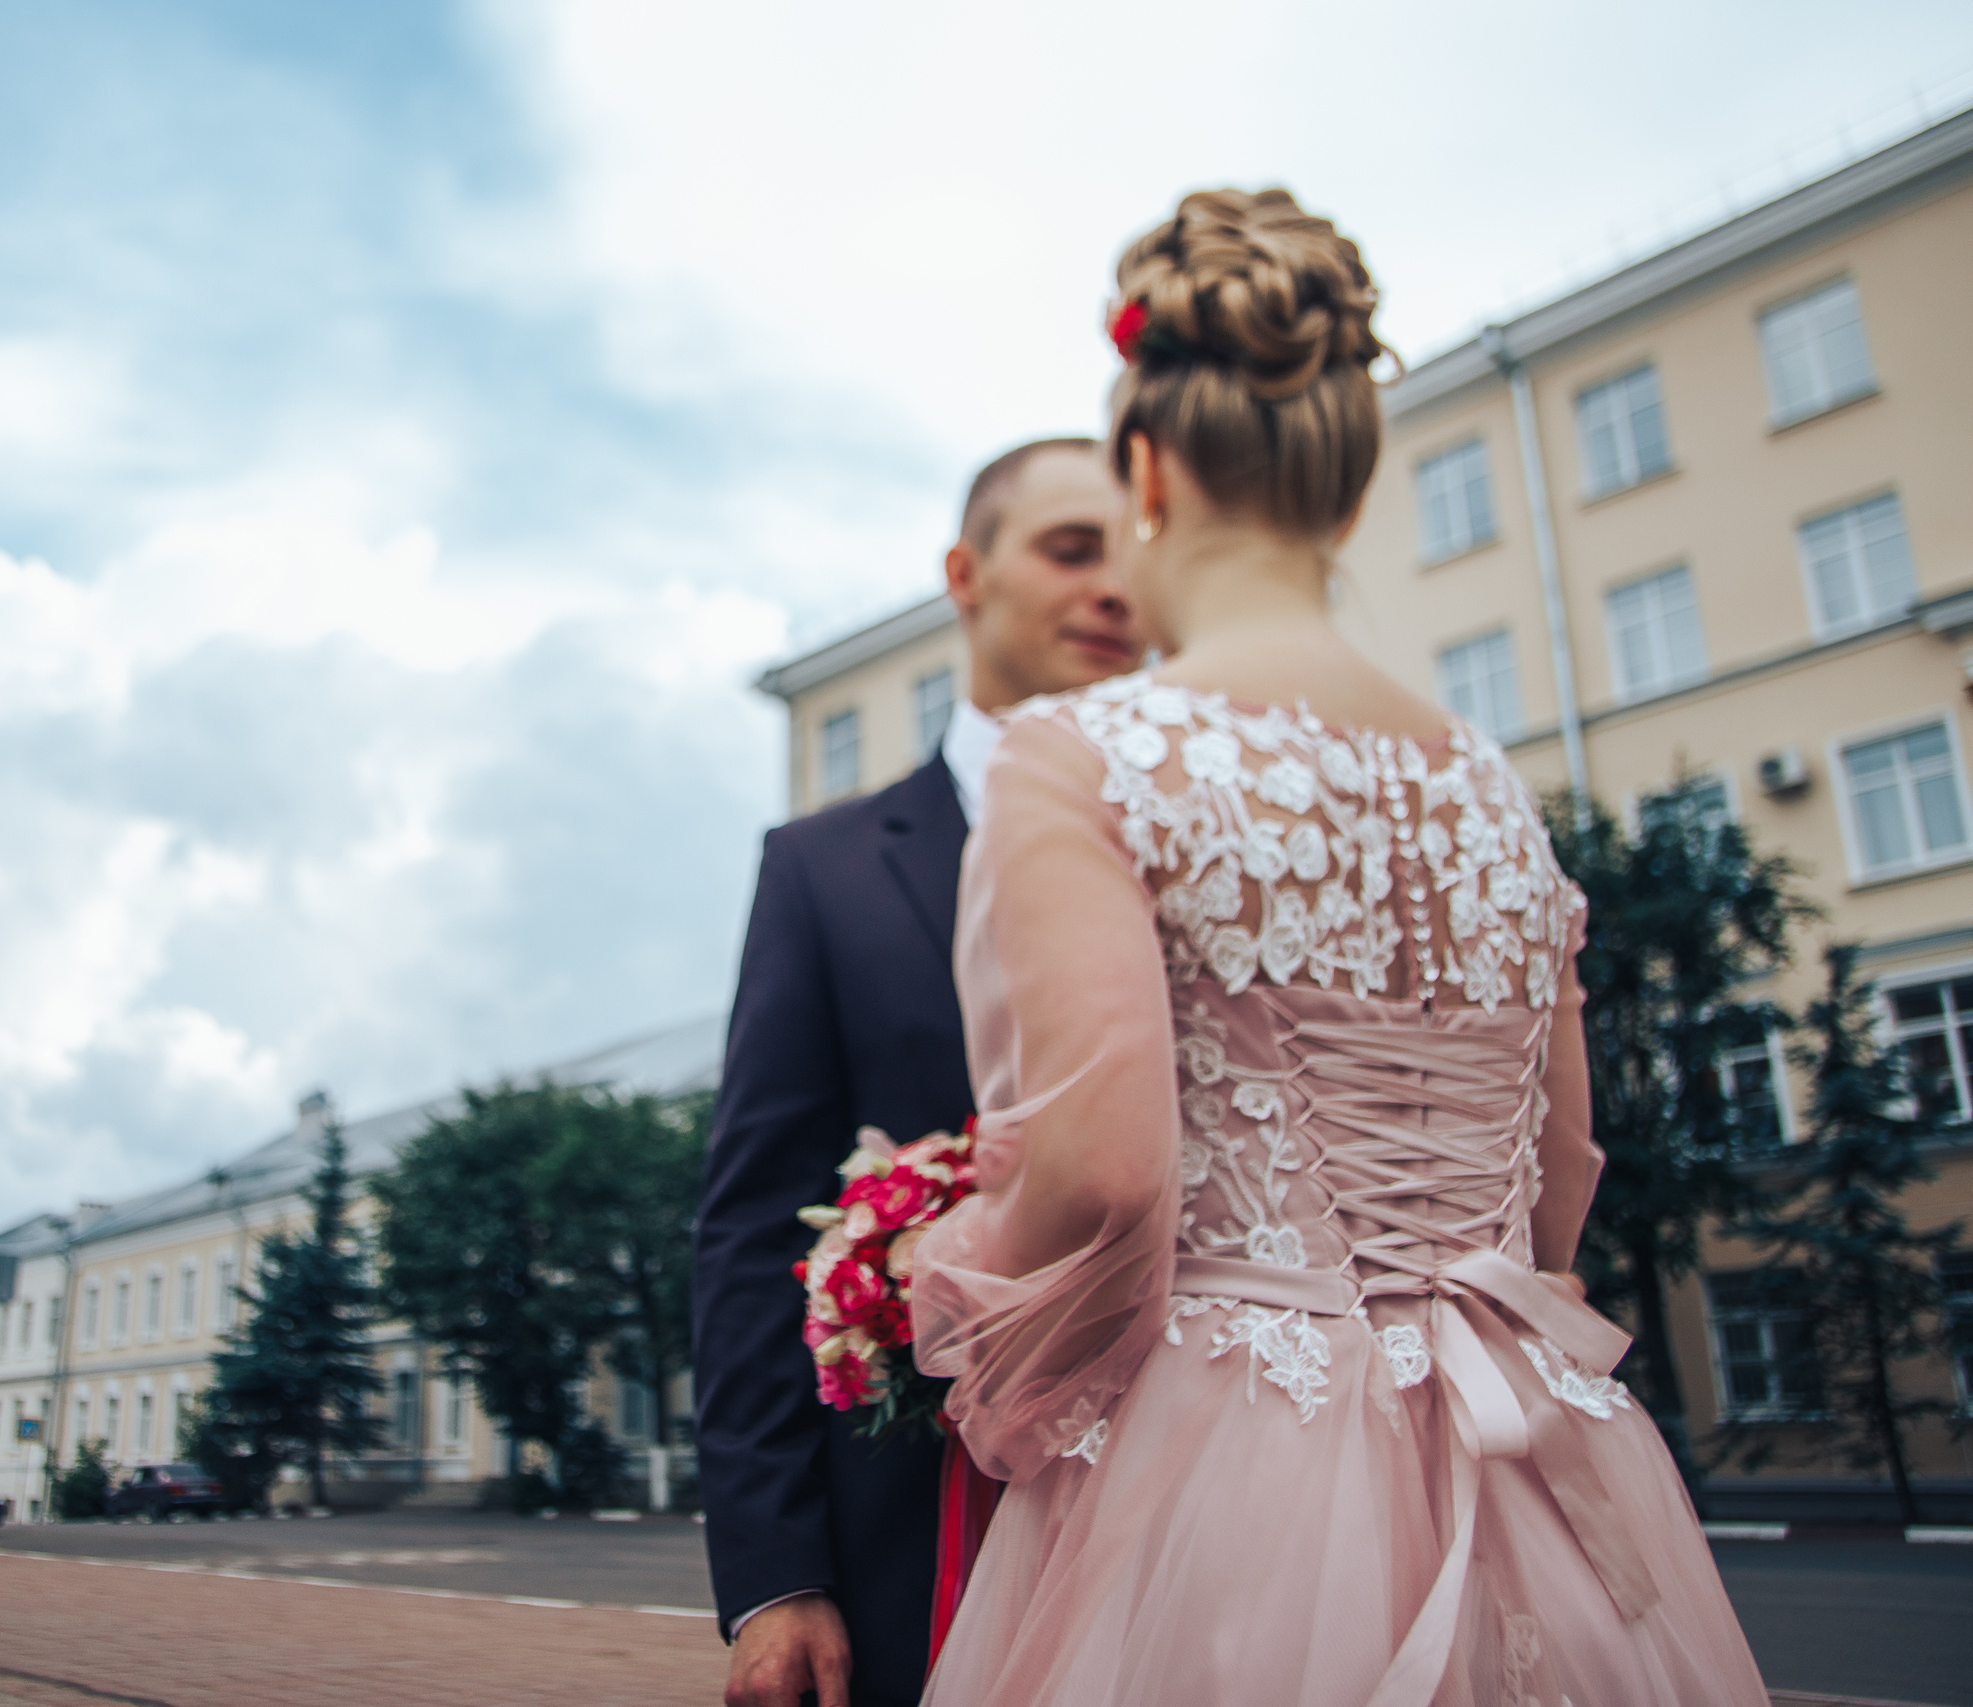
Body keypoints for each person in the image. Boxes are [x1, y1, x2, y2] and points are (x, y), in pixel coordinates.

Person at [908, 188, 1769, 1707]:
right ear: (1353, 488)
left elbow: (1104, 1176)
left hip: (1231, 1460)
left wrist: (945, 1273)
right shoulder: (1492, 785)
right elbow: (1560, 1181)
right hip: (1528, 1439)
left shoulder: (1084, 755)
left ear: (1145, 469)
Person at [697, 438, 1142, 1707]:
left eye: (1132, 556)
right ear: (965, 573)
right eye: (1069, 550)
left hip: (1181, 1494)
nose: (1113, 590)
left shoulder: (1199, 850)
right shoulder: (822, 868)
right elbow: (751, 1228)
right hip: (907, 1529)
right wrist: (776, 1575)